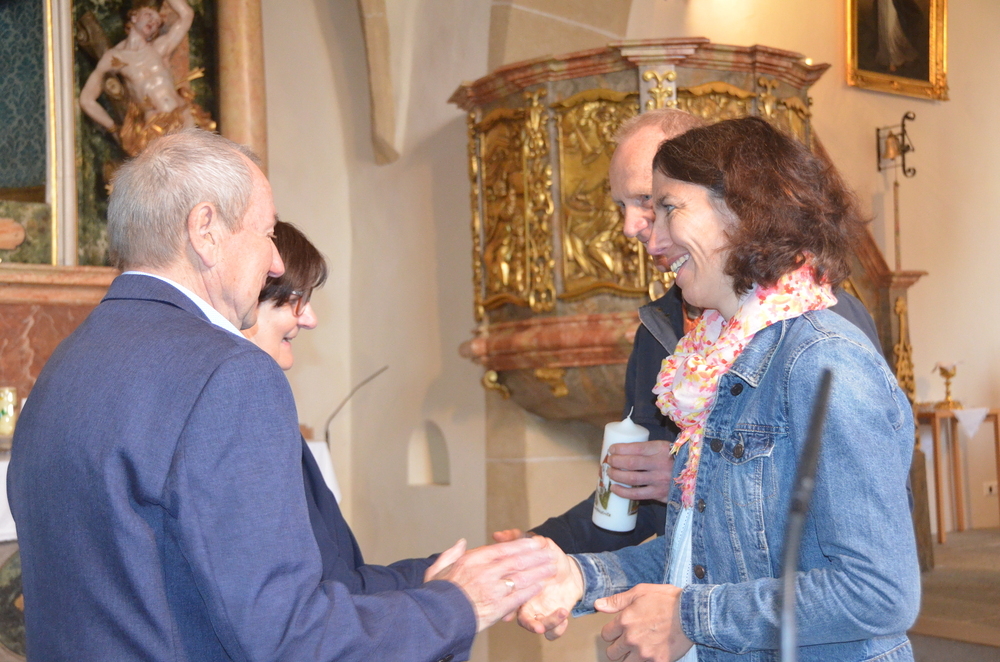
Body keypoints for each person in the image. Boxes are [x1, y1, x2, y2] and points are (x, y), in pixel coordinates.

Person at [8, 129, 554, 662]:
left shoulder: (65, 365)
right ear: (205, 230)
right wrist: (458, 605)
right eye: (267, 233)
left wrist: (433, 582)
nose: (274, 261)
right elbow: (289, 638)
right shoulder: (228, 373)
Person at [517, 116, 920, 661]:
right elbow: (711, 554)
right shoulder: (715, 359)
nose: (651, 236)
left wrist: (691, 617)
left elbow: (877, 593)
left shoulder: (823, 361)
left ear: (742, 209)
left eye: (668, 207)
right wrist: (579, 577)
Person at [498, 109, 882, 555]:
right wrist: (539, 550)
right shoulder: (659, 327)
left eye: (654, 201)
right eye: (621, 206)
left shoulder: (822, 325)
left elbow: (858, 521)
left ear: (726, 197)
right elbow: (633, 505)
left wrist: (691, 477)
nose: (631, 228)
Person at [243, 219, 463, 591]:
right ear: (248, 294)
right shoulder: (248, 414)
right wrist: (442, 588)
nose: (310, 319)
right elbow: (317, 592)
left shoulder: (259, 400)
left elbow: (336, 574)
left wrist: (436, 575)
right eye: (295, 300)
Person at [79, 0, 215, 156]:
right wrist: (114, 128)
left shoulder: (159, 49)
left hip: (182, 116)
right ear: (134, 17)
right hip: (155, 128)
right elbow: (86, 100)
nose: (153, 22)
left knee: (199, 163)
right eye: (149, 15)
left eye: (157, 22)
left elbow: (186, 15)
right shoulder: (116, 58)